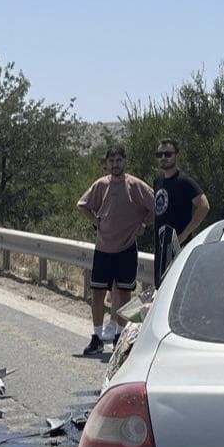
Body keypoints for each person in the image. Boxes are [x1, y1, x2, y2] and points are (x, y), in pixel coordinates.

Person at [76, 145, 154, 355]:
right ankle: (96, 337)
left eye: (119, 160)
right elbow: (82, 205)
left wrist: (143, 224)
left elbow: (157, 206)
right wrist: (96, 222)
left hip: (126, 248)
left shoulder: (135, 185)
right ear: (107, 163)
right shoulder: (101, 185)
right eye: (111, 161)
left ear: (125, 162)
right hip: (103, 248)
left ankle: (120, 336)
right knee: (98, 293)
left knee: (124, 292)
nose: (115, 165)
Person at [152, 138, 210, 287]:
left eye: (168, 154)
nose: (163, 158)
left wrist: (184, 234)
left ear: (177, 155)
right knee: (161, 287)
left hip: (178, 246)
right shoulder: (158, 180)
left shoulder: (184, 181)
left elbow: (204, 206)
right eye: (160, 154)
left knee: (176, 288)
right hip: (161, 246)